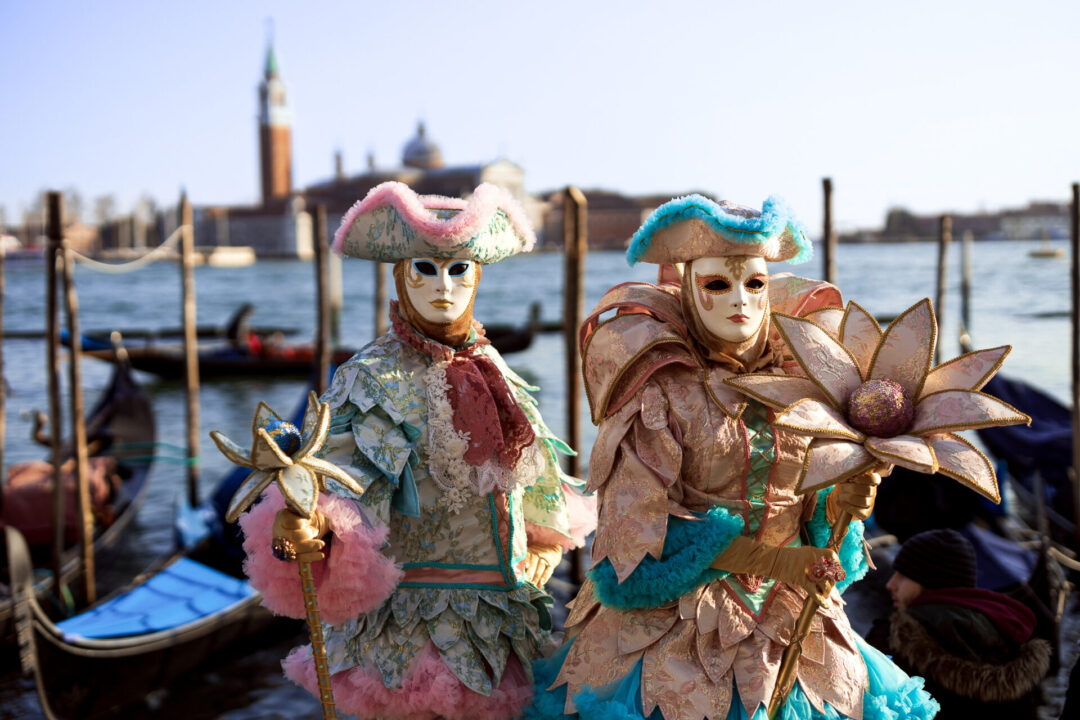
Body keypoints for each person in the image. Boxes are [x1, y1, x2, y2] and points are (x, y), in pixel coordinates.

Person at [527, 195, 938, 720]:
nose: (740, 299)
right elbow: (635, 527)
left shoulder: (803, 382)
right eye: (718, 284)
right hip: (677, 626)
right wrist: (772, 561)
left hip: (796, 618)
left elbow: (814, 505)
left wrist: (844, 503)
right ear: (688, 288)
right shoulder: (659, 388)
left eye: (755, 283)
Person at [238, 181, 595, 720]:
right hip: (411, 638)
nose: (444, 287)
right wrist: (304, 530)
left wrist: (542, 543)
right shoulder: (370, 380)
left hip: (502, 625)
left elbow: (532, 478)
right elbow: (339, 483)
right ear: (400, 276)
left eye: (459, 271)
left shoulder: (494, 368)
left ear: (477, 277)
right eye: (425, 269)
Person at [869, 529, 1051, 719]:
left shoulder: (891, 638)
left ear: (932, 581)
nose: (891, 584)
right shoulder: (1011, 637)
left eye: (903, 576)